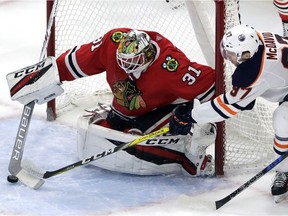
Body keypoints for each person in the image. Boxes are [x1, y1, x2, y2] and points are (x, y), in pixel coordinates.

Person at [56, 28, 216, 177]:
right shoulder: (113, 41)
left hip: (168, 107)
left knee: (134, 138)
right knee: (105, 128)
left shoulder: (172, 67)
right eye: (124, 61)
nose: (127, 66)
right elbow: (74, 62)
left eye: (133, 61)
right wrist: (50, 73)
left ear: (148, 55)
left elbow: (213, 86)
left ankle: (189, 158)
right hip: (138, 106)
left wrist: (189, 116)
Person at [169, 24, 288, 203]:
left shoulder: (253, 70)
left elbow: (225, 108)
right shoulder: (258, 41)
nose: (228, 57)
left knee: (282, 120)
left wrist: (191, 116)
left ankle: (285, 171)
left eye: (231, 54)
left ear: (246, 54)